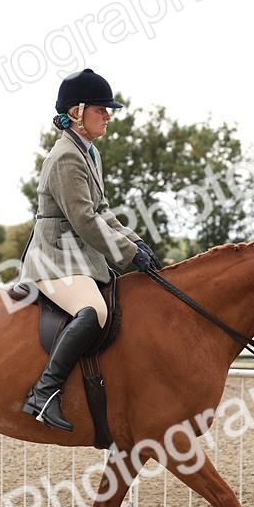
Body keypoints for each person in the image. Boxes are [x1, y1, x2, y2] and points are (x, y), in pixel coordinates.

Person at [18, 68, 161, 431]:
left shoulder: (89, 153)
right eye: (101, 109)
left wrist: (135, 242)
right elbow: (84, 219)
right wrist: (127, 255)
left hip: (79, 258)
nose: (109, 115)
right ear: (77, 112)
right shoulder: (66, 156)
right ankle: (44, 392)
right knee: (93, 310)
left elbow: (102, 212)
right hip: (54, 259)